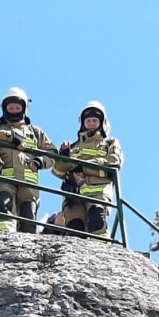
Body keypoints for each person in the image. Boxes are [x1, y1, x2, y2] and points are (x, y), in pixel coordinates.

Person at [0, 87, 55, 232]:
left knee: (28, 217)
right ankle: (5, 240)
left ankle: (27, 247)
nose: (13, 110)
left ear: (24, 109)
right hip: (4, 180)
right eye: (10, 107)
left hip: (29, 184)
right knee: (4, 209)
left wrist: (39, 162)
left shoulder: (36, 133)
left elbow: (52, 154)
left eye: (17, 107)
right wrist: (9, 137)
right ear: (4, 109)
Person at [53, 101, 124, 238]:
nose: (91, 123)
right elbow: (58, 172)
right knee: (75, 228)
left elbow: (114, 163)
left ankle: (102, 255)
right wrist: (63, 156)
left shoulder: (110, 143)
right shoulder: (73, 146)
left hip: (98, 191)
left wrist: (83, 166)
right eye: (88, 120)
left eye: (94, 120)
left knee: (97, 223)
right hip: (74, 195)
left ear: (102, 123)